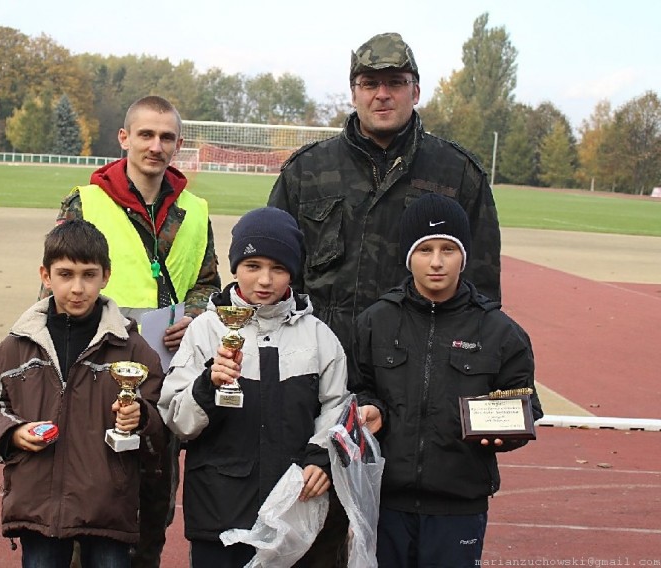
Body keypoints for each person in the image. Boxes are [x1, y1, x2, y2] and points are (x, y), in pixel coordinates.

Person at [267, 32, 502, 564]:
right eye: (369, 83)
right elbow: (273, 279)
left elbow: (483, 298)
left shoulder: (456, 174)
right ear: (352, 91)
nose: (382, 94)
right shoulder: (307, 172)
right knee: (312, 541)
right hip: (317, 388)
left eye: (395, 82)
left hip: (414, 401)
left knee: (399, 546)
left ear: (416, 90)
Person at [43, 95, 221, 567]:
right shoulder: (85, 202)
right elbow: (55, 291)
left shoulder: (195, 211)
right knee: (87, 504)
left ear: (178, 144)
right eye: (146, 134)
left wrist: (194, 316)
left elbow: (208, 283)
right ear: (124, 138)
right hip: (94, 379)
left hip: (164, 380)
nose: (155, 146)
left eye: (166, 137)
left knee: (152, 508)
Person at [350, 192, 543, 566]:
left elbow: (525, 404)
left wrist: (507, 435)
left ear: (463, 256)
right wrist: (370, 408)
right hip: (386, 503)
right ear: (409, 255)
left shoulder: (500, 332)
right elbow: (358, 388)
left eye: (448, 250)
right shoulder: (375, 322)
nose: (436, 262)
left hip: (460, 507)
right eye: (425, 250)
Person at [158, 207, 350, 567]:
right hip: (219, 514)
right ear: (235, 268)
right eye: (252, 266)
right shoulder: (205, 330)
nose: (265, 280)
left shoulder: (319, 336)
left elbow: (337, 409)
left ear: (293, 272)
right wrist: (207, 385)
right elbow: (177, 420)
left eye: (278, 268)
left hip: (294, 518)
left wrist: (321, 458)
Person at [0, 219, 166, 567]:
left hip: (108, 510)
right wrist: (13, 433)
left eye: (89, 275)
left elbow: (161, 420)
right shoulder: (14, 350)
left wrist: (141, 417)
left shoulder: (134, 350)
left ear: (106, 276)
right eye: (65, 274)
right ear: (45, 276)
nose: (77, 288)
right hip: (39, 510)